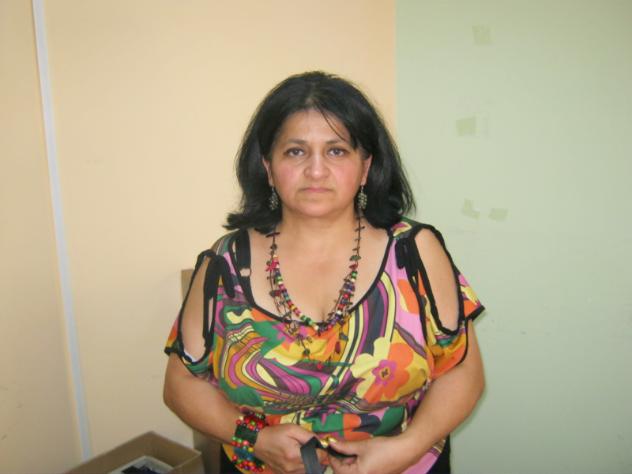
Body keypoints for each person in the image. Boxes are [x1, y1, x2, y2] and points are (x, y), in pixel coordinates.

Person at [163, 71, 485, 474]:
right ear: (268, 167)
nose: (316, 171)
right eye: (296, 151)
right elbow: (179, 385)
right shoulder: (225, 264)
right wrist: (254, 438)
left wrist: (405, 449)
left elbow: (463, 372)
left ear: (365, 167)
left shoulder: (414, 252)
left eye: (336, 151)